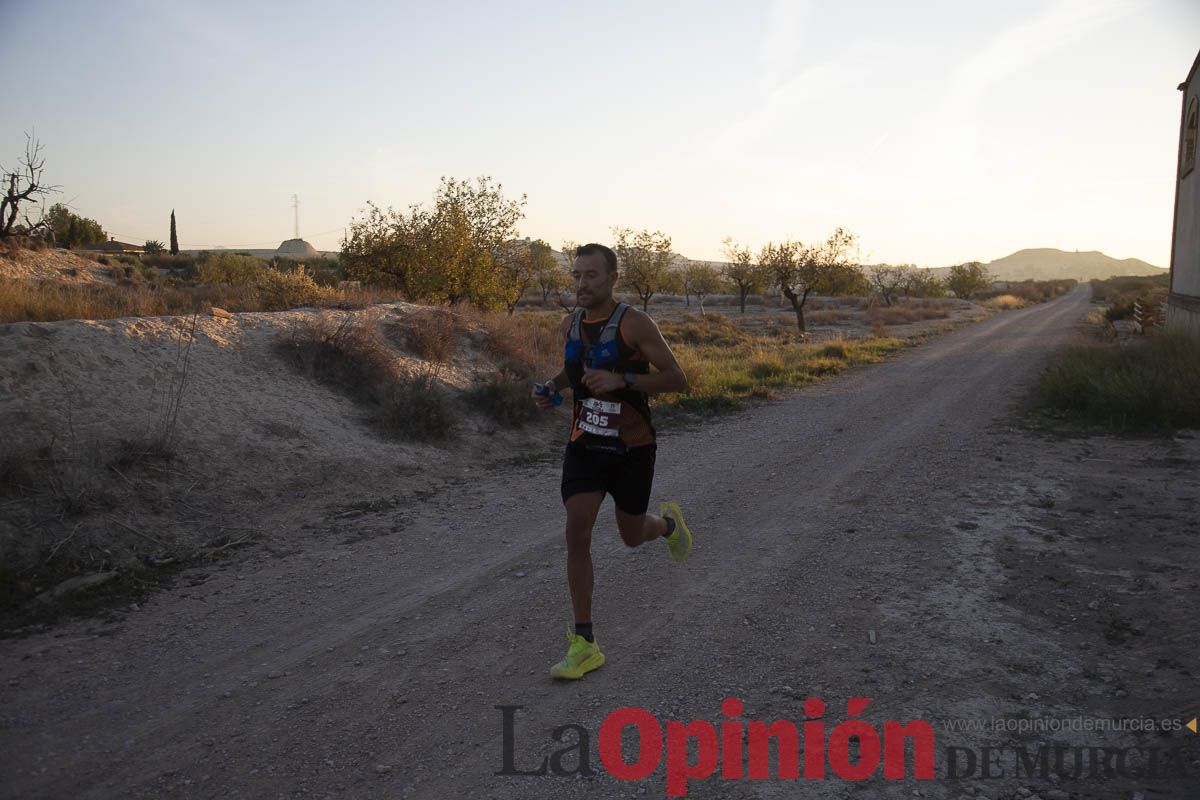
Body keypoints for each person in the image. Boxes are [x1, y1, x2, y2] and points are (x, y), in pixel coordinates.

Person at [532, 242, 693, 680]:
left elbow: (677, 379)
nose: (582, 284)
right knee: (576, 529)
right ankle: (584, 643)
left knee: (632, 534)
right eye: (577, 275)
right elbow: (575, 369)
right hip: (585, 442)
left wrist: (622, 378)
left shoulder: (635, 324)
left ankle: (667, 526)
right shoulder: (570, 324)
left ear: (612, 278)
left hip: (631, 447)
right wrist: (554, 387)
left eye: (591, 276)